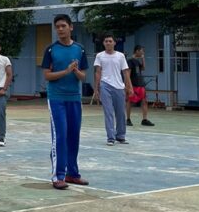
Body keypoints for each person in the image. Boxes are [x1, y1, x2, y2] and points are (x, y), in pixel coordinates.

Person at [41, 14, 89, 189]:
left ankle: (72, 174)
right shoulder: (51, 50)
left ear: (71, 27)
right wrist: (66, 71)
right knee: (60, 136)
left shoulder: (80, 49)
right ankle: (57, 176)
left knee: (73, 137)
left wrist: (75, 71)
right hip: (56, 98)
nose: (60, 29)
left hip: (74, 98)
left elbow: (83, 77)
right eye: (57, 27)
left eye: (63, 26)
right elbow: (47, 75)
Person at [94, 35, 132, 145]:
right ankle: (110, 138)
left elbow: (125, 72)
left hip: (119, 87)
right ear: (103, 43)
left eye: (110, 41)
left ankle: (120, 136)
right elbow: (98, 72)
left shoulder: (120, 56)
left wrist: (129, 86)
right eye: (106, 41)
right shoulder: (99, 56)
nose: (108, 43)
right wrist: (96, 89)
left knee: (120, 113)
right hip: (105, 85)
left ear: (114, 43)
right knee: (108, 112)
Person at [127, 46, 155, 127]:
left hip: (140, 84)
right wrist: (128, 86)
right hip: (133, 84)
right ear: (137, 51)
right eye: (142, 51)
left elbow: (143, 68)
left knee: (144, 101)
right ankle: (128, 119)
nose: (143, 53)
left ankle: (144, 119)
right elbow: (128, 73)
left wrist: (143, 59)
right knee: (129, 101)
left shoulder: (137, 61)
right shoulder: (130, 61)